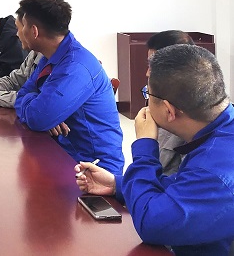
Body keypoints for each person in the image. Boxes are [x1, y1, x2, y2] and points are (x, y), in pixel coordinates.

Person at [76, 45, 234, 255]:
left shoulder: (214, 169)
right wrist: (117, 185)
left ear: (168, 110)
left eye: (147, 93)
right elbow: (184, 188)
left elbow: (151, 224)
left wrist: (145, 145)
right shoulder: (221, 131)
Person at [13, 0, 124, 174]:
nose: (18, 32)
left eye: (22, 25)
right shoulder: (51, 56)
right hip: (65, 152)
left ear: (34, 31)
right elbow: (23, 95)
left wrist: (44, 112)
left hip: (93, 169)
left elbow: (37, 118)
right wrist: (45, 112)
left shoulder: (75, 67)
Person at [144, 30, 194, 175]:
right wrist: (116, 182)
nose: (148, 72)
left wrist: (145, 143)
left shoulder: (191, 121)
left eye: (153, 65)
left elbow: (155, 180)